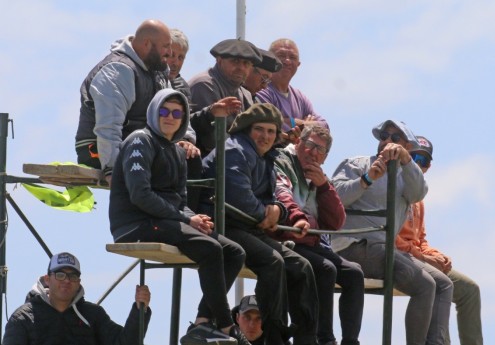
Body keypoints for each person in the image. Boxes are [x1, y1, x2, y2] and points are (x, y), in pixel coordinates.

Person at [108, 88, 247, 344]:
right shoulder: (140, 140)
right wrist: (186, 220)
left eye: (176, 113)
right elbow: (140, 195)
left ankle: (203, 322)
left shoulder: (177, 150)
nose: (170, 117)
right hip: (135, 224)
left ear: (183, 119)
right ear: (154, 112)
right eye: (164, 111)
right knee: (210, 249)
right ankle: (227, 325)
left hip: (166, 220)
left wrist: (194, 218)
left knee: (234, 251)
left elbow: (180, 202)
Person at [200, 103, 318, 345]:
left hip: (248, 225)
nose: (265, 136)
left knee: (301, 266)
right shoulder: (235, 150)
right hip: (222, 224)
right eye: (259, 130)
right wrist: (266, 214)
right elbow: (239, 199)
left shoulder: (266, 157)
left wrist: (278, 210)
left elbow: (276, 196)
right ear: (246, 129)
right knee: (272, 262)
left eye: (271, 131)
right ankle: (271, 337)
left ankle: (306, 339)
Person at [331, 120, 453, 345]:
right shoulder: (356, 164)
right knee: (425, 286)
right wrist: (367, 179)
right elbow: (334, 199)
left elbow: (419, 193)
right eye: (384, 136)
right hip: (352, 245)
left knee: (444, 284)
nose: (387, 141)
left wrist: (406, 160)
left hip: (383, 249)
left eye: (395, 139)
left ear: (406, 146)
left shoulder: (405, 176)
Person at [274, 125, 364, 345]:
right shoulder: (283, 161)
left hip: (311, 241)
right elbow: (282, 195)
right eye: (310, 145)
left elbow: (336, 222)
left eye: (320, 150)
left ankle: (350, 341)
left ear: (325, 158)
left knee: (354, 273)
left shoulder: (318, 175)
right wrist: (299, 218)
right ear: (299, 143)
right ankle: (324, 339)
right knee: (326, 269)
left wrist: (324, 186)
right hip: (284, 237)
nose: (314, 153)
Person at [396, 135, 483, 345]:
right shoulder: (391, 187)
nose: (417, 163)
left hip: (417, 257)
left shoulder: (418, 198)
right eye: (413, 156)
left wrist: (436, 256)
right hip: (397, 257)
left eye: (423, 161)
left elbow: (420, 238)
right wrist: (422, 256)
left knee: (470, 290)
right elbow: (388, 238)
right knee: (437, 283)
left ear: (428, 167)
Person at [75, 19, 177, 184]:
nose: (170, 52)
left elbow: (174, 110)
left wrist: (186, 140)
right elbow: (109, 126)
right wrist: (112, 169)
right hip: (99, 153)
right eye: (165, 46)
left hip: (138, 149)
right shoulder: (118, 71)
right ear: (146, 44)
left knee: (188, 160)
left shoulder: (156, 71)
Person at [2, 252, 151, 344]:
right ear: (47, 279)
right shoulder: (22, 318)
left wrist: (139, 310)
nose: (66, 281)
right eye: (60, 275)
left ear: (79, 282)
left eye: (73, 276)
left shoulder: (94, 315)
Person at [189, 38, 262, 157]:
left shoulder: (245, 94)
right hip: (208, 162)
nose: (241, 68)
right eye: (235, 61)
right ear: (219, 60)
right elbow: (212, 141)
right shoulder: (205, 84)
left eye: (246, 64)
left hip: (234, 158)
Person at [256, 38, 328, 143]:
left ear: (298, 64)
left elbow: (324, 127)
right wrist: (300, 124)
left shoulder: (300, 97)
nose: (287, 61)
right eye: (281, 56)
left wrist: (291, 122)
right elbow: (269, 125)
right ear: (271, 59)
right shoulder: (262, 90)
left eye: (292, 57)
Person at [166, 28, 204, 211]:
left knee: (193, 155)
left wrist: (187, 140)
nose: (175, 62)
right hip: (157, 141)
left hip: (177, 141)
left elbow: (186, 122)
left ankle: (191, 214)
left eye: (181, 58)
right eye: (172, 55)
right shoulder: (149, 77)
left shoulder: (182, 86)